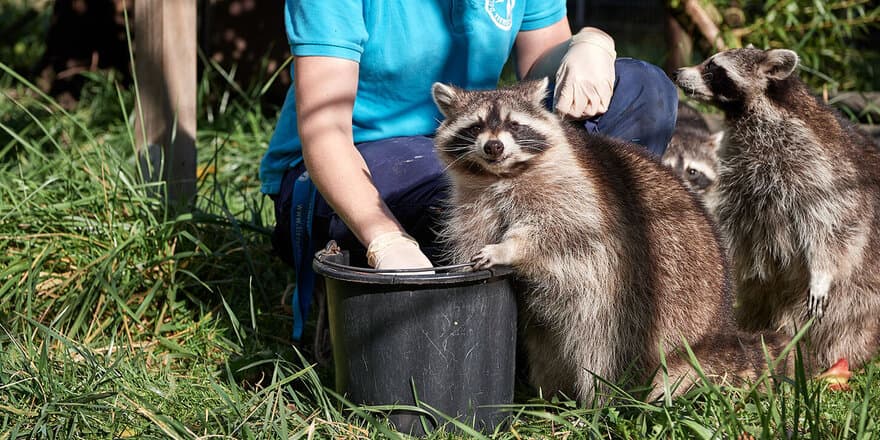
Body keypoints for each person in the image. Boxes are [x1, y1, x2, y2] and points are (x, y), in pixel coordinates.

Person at [261, 0, 679, 339]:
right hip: (352, 163)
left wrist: (589, 44)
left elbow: (541, 75)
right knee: (443, 196)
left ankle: (580, 274)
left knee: (643, 90)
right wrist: (384, 239)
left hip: (484, 149)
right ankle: (478, 315)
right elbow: (325, 131)